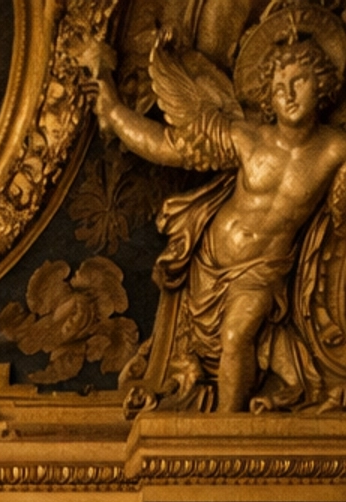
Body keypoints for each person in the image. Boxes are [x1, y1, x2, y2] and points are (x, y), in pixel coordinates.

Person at [82, 10, 346, 410]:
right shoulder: (247, 137)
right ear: (267, 96)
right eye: (278, 86)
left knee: (236, 337)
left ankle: (228, 423)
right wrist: (116, 111)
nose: (288, 94)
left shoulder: (335, 151)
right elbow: (171, 148)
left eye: (299, 81)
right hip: (206, 262)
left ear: (322, 83)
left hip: (261, 271)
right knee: (220, 345)